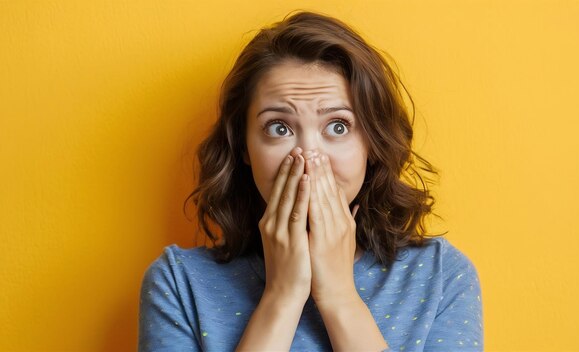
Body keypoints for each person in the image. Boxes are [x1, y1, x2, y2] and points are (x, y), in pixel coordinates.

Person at [138, 10, 483, 352]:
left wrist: (339, 297)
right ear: (244, 147)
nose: (308, 158)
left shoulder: (441, 278)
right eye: (279, 128)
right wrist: (281, 296)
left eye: (338, 126)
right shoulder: (178, 284)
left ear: (372, 145)